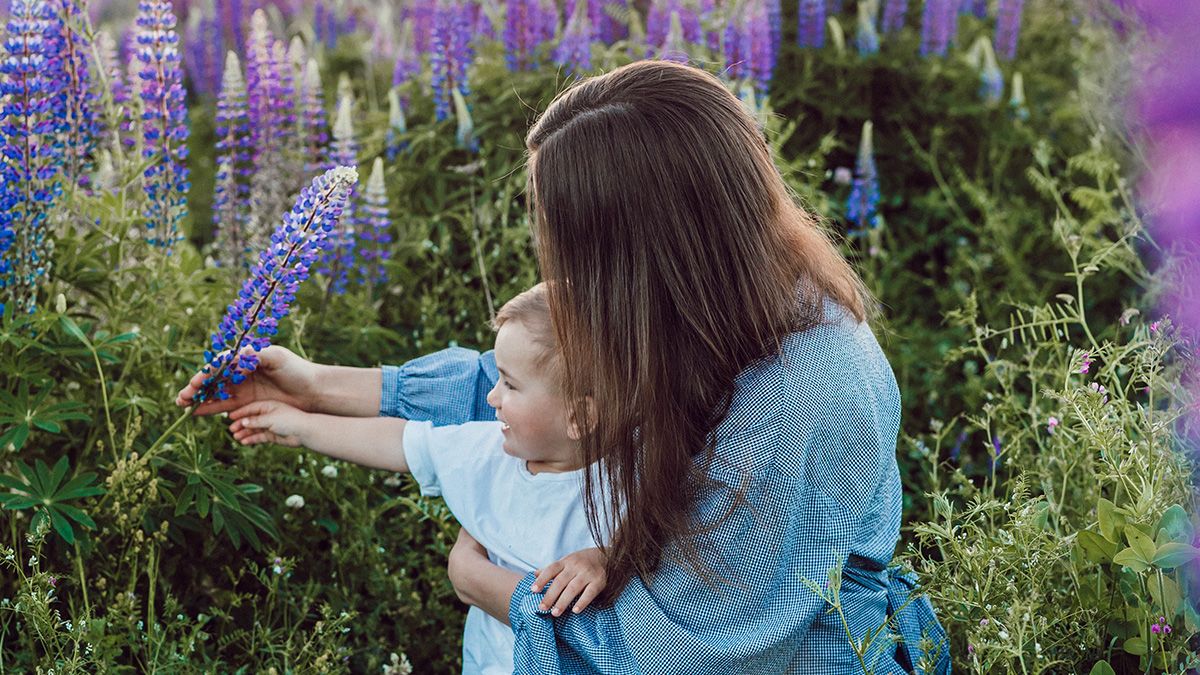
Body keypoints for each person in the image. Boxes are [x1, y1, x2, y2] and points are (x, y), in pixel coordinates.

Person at [179, 60, 948, 673]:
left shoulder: (805, 395)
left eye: (573, 247)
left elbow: (677, 657)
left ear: (645, 251)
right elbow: (539, 384)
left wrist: (492, 589)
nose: (558, 268)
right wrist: (318, 385)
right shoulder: (722, 302)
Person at [192, 284, 611, 675]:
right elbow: (401, 442)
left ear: (578, 417)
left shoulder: (631, 479)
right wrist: (298, 425)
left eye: (510, 384)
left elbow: (660, 548)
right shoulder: (487, 453)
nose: (492, 397)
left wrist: (606, 558)